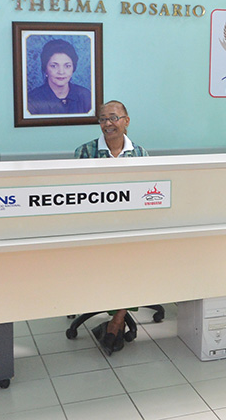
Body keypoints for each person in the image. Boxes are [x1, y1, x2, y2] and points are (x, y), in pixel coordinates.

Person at [74, 100, 148, 354]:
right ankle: (114, 317)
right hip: (95, 227)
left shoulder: (140, 154)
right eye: (103, 119)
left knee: (133, 265)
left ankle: (116, 321)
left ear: (126, 121)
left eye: (113, 118)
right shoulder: (84, 152)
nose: (107, 124)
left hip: (130, 227)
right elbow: (77, 196)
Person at [27, 39, 92, 115]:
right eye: (54, 66)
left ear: (73, 68)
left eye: (67, 66)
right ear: (46, 69)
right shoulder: (32, 100)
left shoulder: (85, 96)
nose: (61, 72)